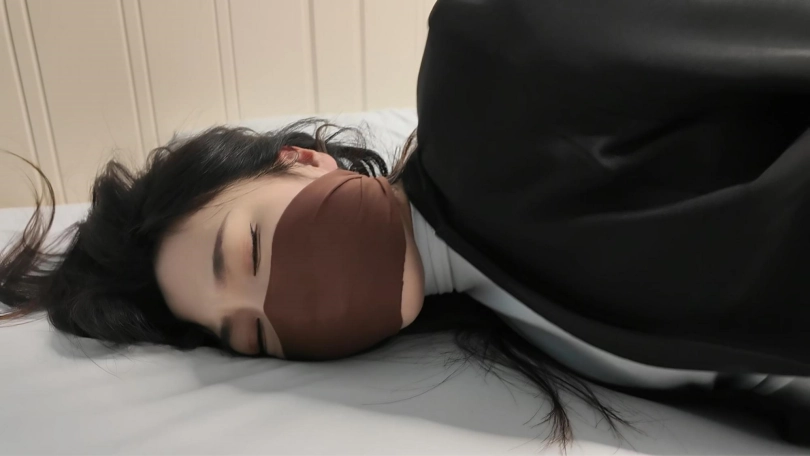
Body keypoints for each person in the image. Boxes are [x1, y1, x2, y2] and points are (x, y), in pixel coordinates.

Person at [2, 0, 809, 447]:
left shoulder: (488, 52)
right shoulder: (507, 323)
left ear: (302, 160)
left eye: (247, 249)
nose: (279, 302)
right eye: (251, 334)